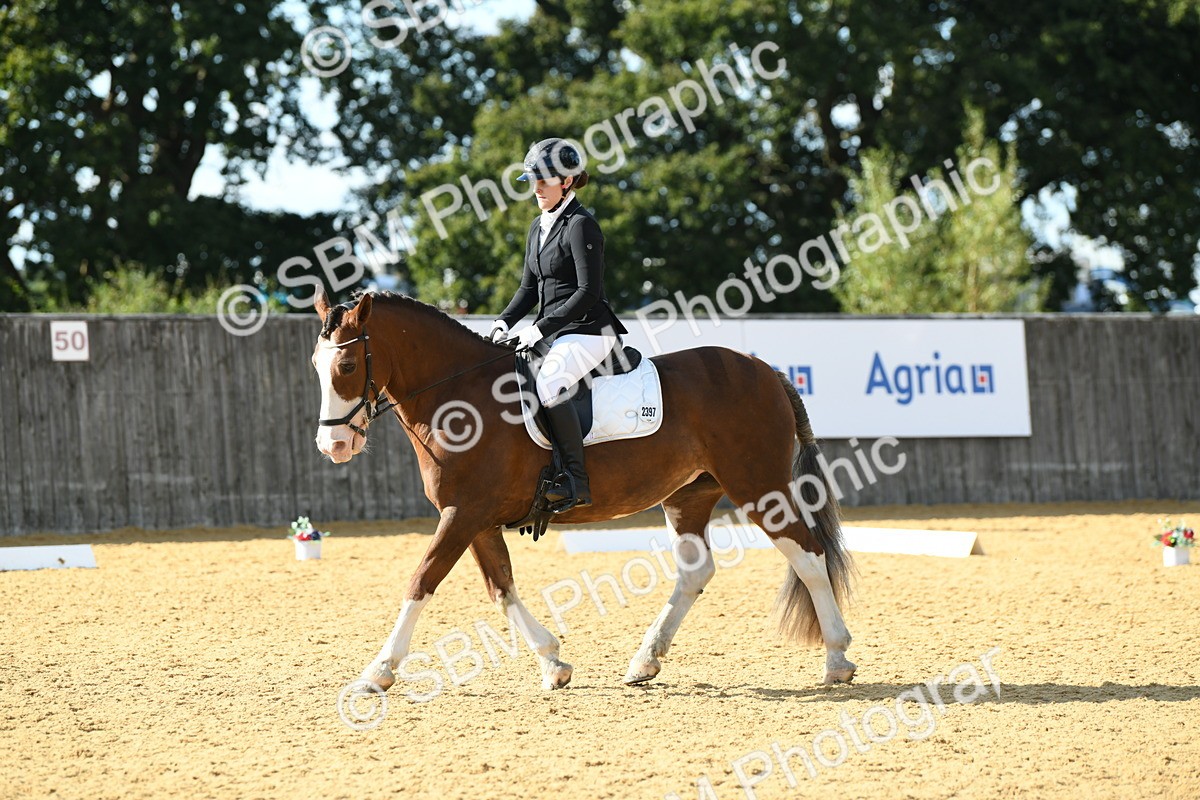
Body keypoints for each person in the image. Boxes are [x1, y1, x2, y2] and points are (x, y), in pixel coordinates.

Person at [489, 137, 628, 510]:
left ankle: (575, 482)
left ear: (566, 182)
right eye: (532, 181)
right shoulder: (538, 226)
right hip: (555, 333)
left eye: (544, 181)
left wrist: (537, 329)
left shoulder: (582, 226)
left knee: (550, 383)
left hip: (588, 330)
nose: (536, 189)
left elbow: (587, 292)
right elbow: (527, 288)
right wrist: (503, 322)